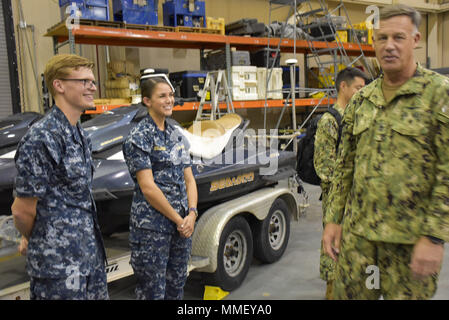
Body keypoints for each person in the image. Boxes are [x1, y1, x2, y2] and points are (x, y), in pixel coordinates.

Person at [322, 4, 449, 299]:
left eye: (398, 37)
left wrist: (434, 236)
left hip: (409, 245)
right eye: (382, 38)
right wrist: (333, 219)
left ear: (416, 39)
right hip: (359, 242)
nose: (389, 46)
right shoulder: (361, 100)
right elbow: (344, 168)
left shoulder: (438, 94)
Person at [11, 54, 108, 300]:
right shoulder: (42, 137)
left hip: (89, 258)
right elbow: (22, 211)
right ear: (59, 85)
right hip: (58, 268)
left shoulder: (80, 135)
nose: (93, 87)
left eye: (93, 82)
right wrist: (38, 236)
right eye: (84, 81)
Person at [122, 76, 198, 300]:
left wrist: (192, 214)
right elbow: (148, 188)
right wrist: (178, 219)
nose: (169, 100)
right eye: (162, 96)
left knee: (176, 287)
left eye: (171, 95)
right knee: (152, 292)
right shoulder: (139, 137)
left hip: (182, 226)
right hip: (153, 230)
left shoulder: (175, 135)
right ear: (147, 100)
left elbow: (189, 180)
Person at [314, 67, 367, 300]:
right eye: (358, 88)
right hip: (337, 199)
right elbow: (324, 167)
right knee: (334, 250)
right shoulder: (330, 120)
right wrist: (344, 191)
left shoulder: (358, 117)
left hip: (357, 199)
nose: (361, 93)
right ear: (343, 87)